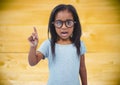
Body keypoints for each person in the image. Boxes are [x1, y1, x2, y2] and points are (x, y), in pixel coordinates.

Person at [28, 4, 87, 85]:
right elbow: (32, 62)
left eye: (69, 22)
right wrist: (33, 47)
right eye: (59, 23)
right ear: (53, 24)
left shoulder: (79, 44)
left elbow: (82, 68)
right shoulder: (48, 44)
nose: (64, 27)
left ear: (75, 24)